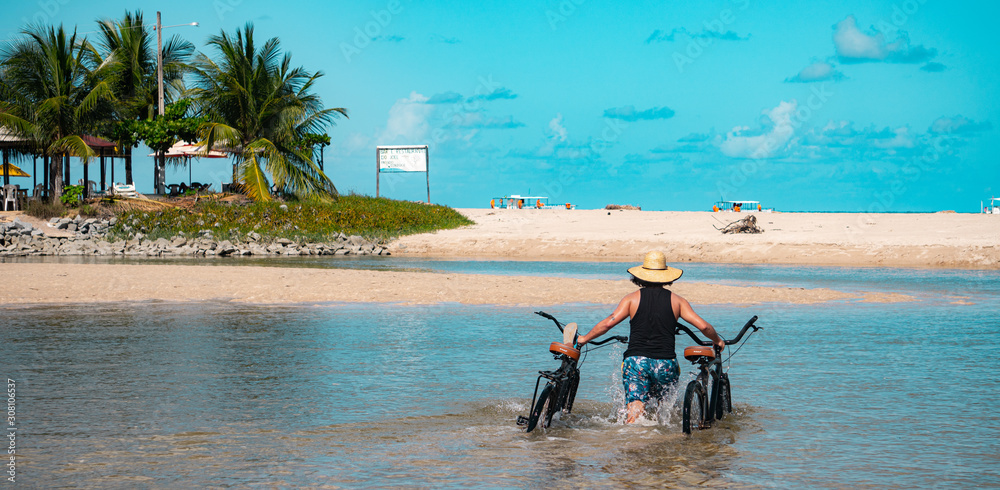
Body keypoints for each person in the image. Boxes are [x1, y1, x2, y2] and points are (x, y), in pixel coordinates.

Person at [577, 251, 725, 424]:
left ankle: (633, 439)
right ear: (666, 276)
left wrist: (584, 338)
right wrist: (718, 341)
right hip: (666, 363)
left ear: (641, 276)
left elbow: (607, 324)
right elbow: (704, 327)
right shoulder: (678, 301)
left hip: (636, 362)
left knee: (635, 406)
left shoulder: (631, 299)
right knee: (664, 411)